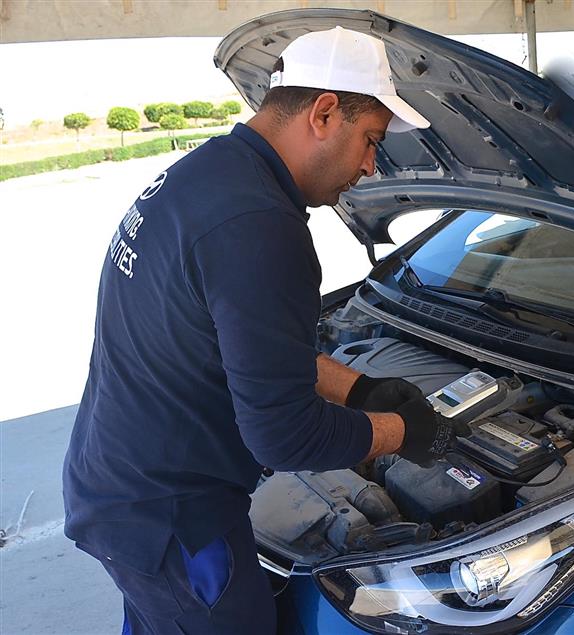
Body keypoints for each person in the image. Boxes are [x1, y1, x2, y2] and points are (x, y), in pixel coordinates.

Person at [63, 26, 463, 635]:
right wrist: (403, 431)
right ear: (325, 112)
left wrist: (360, 391)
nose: (369, 165)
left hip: (121, 484)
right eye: (370, 140)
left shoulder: (204, 175)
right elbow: (285, 436)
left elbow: (233, 347)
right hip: (175, 519)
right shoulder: (259, 226)